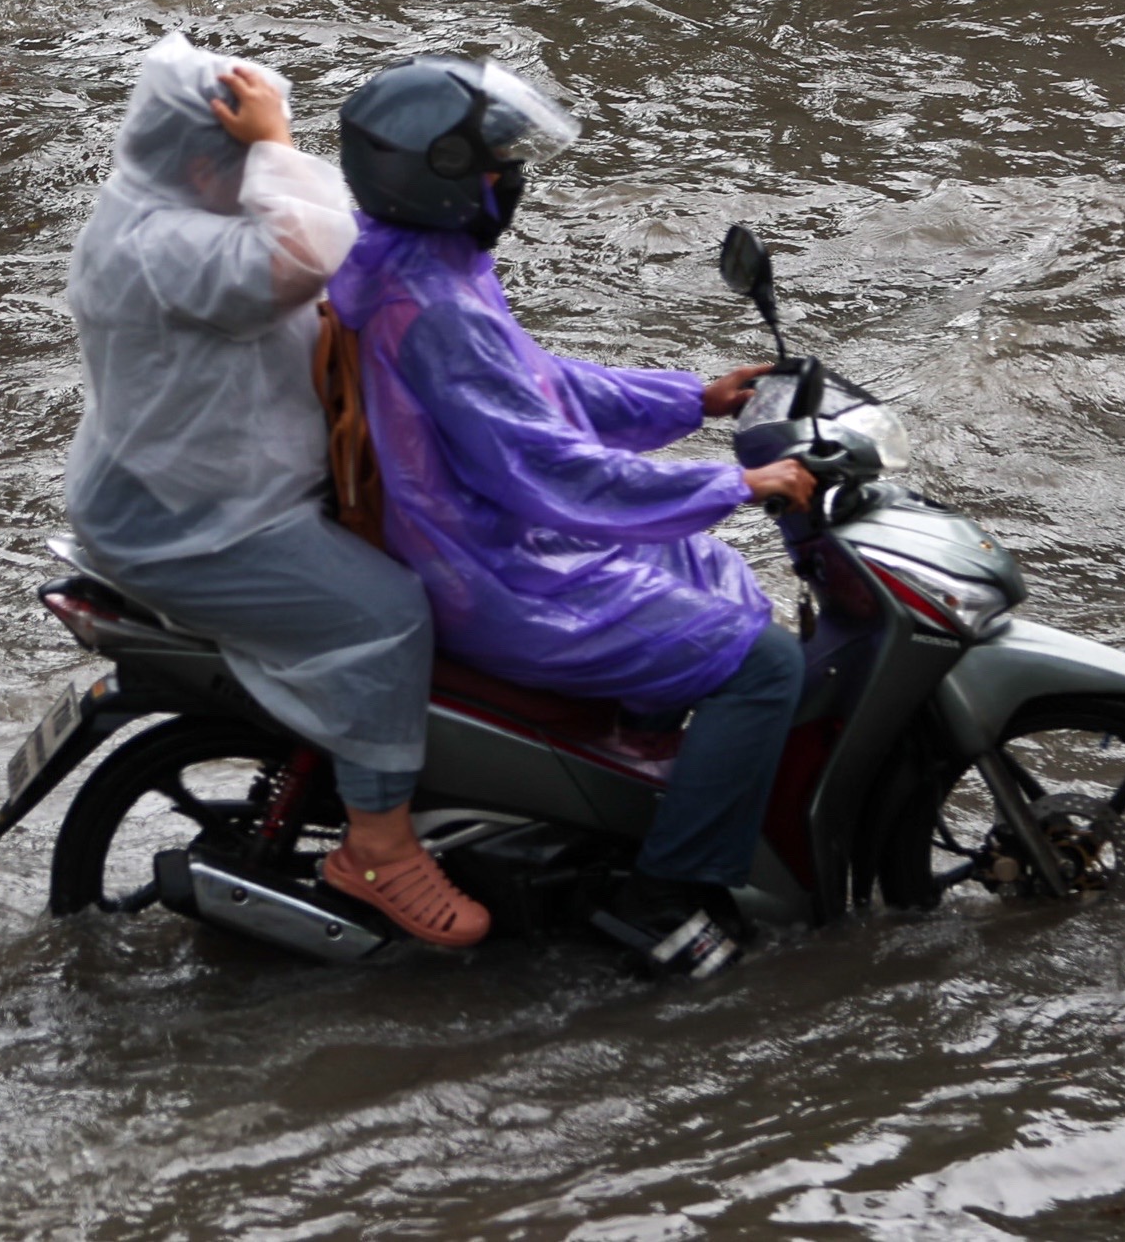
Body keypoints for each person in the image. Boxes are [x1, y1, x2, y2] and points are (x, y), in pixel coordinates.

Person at [324, 54, 817, 980]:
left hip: (475, 538)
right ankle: (664, 893)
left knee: (709, 582)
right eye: (493, 161)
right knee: (761, 661)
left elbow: (540, 386)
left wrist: (691, 400)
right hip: (493, 567)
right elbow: (545, 466)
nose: (510, 176)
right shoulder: (432, 309)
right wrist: (730, 488)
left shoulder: (415, 261)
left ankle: (612, 805)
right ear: (432, 176)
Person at [63, 35, 491, 949]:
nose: (259, 175)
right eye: (242, 162)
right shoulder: (160, 241)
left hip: (209, 485)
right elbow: (310, 250)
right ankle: (374, 842)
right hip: (185, 521)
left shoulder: (167, 213)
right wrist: (279, 142)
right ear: (196, 164)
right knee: (389, 614)